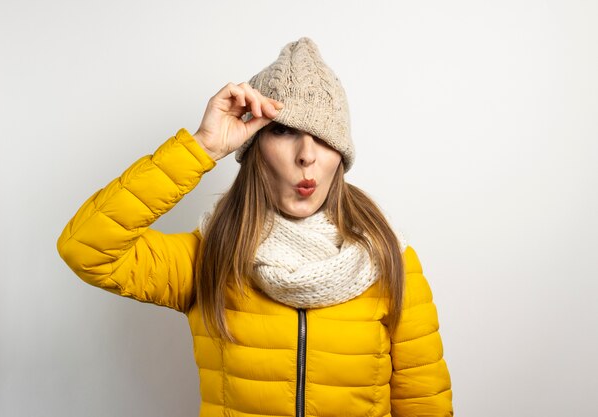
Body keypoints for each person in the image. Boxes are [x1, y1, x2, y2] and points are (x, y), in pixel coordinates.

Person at [57, 37, 453, 417]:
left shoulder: (388, 259)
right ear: (254, 145)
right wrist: (203, 147)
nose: (307, 156)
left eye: (324, 136)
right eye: (283, 130)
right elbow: (86, 246)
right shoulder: (208, 257)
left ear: (341, 153)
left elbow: (424, 404)